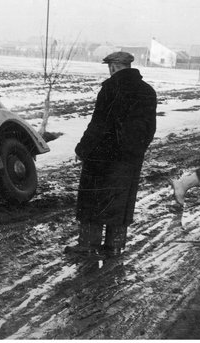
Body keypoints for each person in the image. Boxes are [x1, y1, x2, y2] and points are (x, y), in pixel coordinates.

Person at [65, 51, 157, 258]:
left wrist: (82, 149)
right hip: (131, 157)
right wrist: (137, 149)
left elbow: (99, 124)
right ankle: (115, 246)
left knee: (93, 197)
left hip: (104, 156)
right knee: (121, 199)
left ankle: (88, 245)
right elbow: (150, 128)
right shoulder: (148, 91)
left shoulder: (110, 88)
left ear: (114, 66)